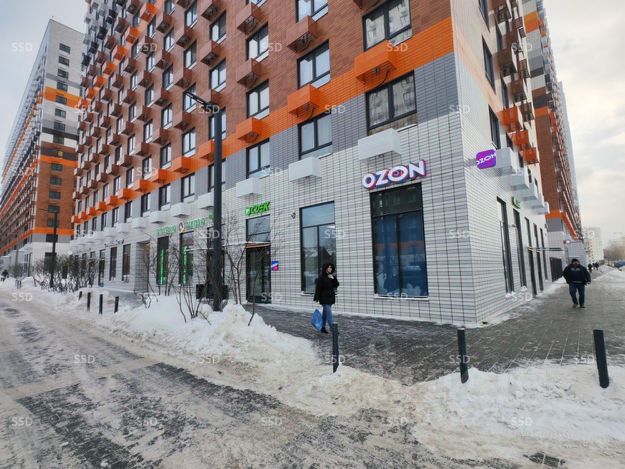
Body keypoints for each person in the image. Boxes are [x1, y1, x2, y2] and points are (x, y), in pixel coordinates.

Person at [313, 263, 339, 334]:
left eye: (331, 267)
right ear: (326, 268)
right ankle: (333, 329)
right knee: (329, 314)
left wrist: (333, 278)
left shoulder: (331, 276)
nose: (330, 268)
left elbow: (336, 285)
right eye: (329, 267)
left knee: (325, 313)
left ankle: (322, 327)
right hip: (324, 298)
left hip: (331, 298)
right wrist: (316, 298)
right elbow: (318, 288)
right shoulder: (321, 277)